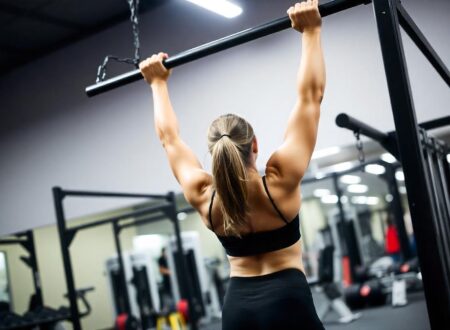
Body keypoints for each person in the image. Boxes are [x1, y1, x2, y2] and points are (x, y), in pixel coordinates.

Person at [139, 1, 325, 329]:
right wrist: (311, 31)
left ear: (213, 153)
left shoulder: (204, 195)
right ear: (254, 145)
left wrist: (157, 84)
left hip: (238, 308)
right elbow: (310, 97)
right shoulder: (279, 181)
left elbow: (169, 138)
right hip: (289, 300)